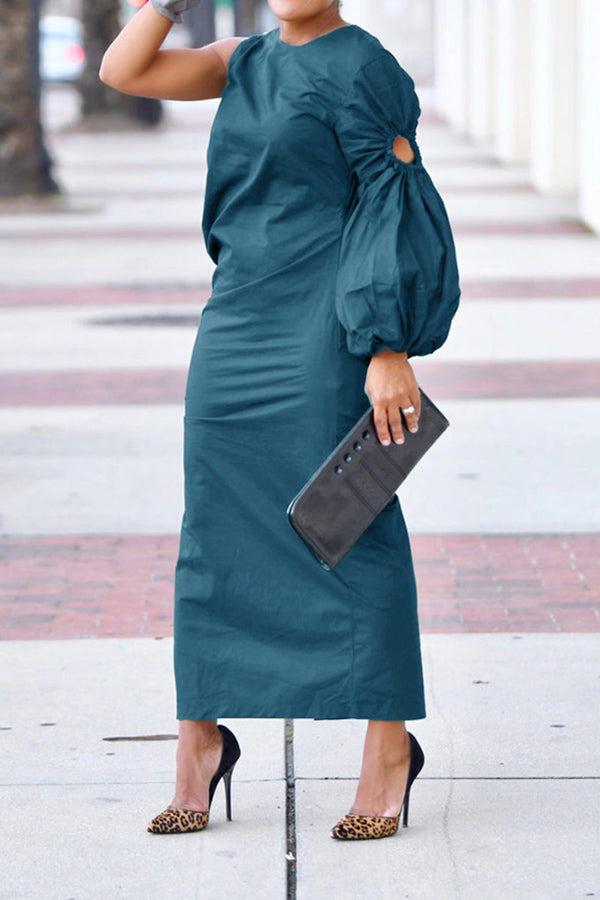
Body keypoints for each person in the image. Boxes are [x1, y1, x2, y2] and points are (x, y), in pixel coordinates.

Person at [99, 0, 461, 841]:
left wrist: (387, 345)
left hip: (324, 328)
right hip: (235, 321)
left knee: (347, 522)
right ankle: (201, 741)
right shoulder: (243, 61)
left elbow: (393, 202)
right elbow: (124, 70)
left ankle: (388, 749)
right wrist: (166, 5)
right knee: (213, 526)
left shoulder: (364, 65)